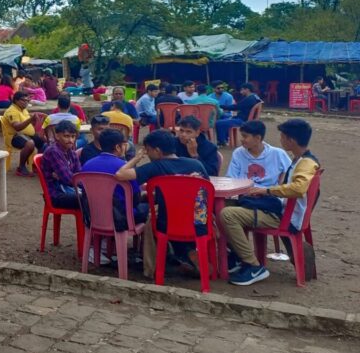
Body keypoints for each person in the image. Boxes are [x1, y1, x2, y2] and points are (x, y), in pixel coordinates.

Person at [219, 118, 319, 286]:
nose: (280, 140)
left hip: (283, 216)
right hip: (284, 210)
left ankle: (253, 265)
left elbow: (299, 188)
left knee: (227, 214)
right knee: (228, 206)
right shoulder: (300, 159)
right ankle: (234, 255)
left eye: (282, 137)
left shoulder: (306, 163)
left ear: (291, 140)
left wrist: (267, 190)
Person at [116, 130, 209, 279]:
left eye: (148, 150)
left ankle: (150, 269)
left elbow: (120, 174)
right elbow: (205, 192)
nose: (147, 154)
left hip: (168, 223)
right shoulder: (196, 164)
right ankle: (195, 256)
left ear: (157, 151)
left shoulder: (155, 167)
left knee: (150, 223)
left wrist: (137, 158)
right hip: (200, 222)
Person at [81, 128, 148, 231]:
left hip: (93, 215)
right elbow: (135, 200)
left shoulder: (87, 165)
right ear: (118, 147)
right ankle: (141, 246)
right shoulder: (124, 168)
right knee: (150, 209)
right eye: (124, 145)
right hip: (121, 218)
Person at [226, 120, 291, 188]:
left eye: (245, 136)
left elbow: (291, 173)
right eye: (241, 136)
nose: (241, 139)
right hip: (244, 193)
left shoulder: (278, 154)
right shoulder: (238, 153)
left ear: (257, 138)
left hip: (269, 195)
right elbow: (231, 178)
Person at [3, 91, 45, 176]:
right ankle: (21, 168)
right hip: (14, 136)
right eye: (23, 100)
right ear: (16, 100)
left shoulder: (23, 109)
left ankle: (36, 164)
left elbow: (28, 122)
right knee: (30, 143)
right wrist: (30, 119)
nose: (26, 102)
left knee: (43, 140)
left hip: (26, 135)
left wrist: (36, 119)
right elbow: (17, 127)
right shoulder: (12, 111)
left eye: (27, 100)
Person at [39, 121, 81, 207]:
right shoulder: (53, 151)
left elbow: (79, 173)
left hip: (70, 189)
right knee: (89, 199)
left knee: (97, 196)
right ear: (57, 136)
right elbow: (68, 179)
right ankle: (90, 221)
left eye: (73, 136)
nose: (70, 140)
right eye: (66, 136)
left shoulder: (71, 152)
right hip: (56, 194)